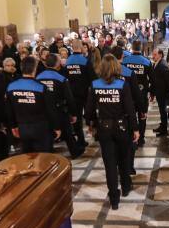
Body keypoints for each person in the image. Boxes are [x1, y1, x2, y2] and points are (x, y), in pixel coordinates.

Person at [84, 54, 139, 209]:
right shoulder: (122, 84)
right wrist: (136, 128)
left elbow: (88, 110)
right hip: (122, 127)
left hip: (104, 128)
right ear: (116, 67)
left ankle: (114, 198)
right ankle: (126, 187)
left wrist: (91, 123)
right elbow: (130, 108)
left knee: (109, 164)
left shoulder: (95, 84)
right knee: (123, 158)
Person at [6, 56, 60, 154]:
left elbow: (9, 110)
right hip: (41, 128)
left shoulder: (11, 87)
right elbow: (51, 109)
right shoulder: (41, 87)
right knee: (44, 158)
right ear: (34, 68)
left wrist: (13, 126)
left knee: (28, 158)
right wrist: (56, 127)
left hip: (22, 128)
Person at [37, 53, 84, 158]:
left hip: (44, 110)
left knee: (48, 133)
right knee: (68, 132)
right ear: (57, 63)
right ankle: (75, 152)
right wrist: (74, 113)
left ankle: (49, 154)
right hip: (59, 109)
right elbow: (69, 98)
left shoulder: (38, 77)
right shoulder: (61, 78)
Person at [63, 40, 94, 151]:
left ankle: (81, 140)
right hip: (86, 93)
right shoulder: (85, 61)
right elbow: (93, 78)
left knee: (77, 118)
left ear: (72, 47)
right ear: (81, 48)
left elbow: (64, 79)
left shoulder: (67, 62)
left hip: (72, 94)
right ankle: (94, 133)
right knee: (90, 113)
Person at [122, 41, 152, 146]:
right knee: (142, 115)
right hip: (142, 94)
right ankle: (141, 138)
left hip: (127, 94)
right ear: (141, 48)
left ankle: (132, 136)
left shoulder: (125, 61)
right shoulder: (147, 61)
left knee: (130, 115)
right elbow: (152, 79)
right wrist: (152, 93)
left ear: (132, 48)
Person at [149, 47, 169, 135]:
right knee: (162, 111)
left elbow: (168, 81)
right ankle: (162, 126)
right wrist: (153, 93)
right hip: (159, 92)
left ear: (160, 55)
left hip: (163, 94)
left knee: (163, 111)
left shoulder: (163, 65)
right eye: (153, 54)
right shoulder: (157, 63)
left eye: (155, 55)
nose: (153, 56)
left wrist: (167, 94)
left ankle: (164, 130)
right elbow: (155, 80)